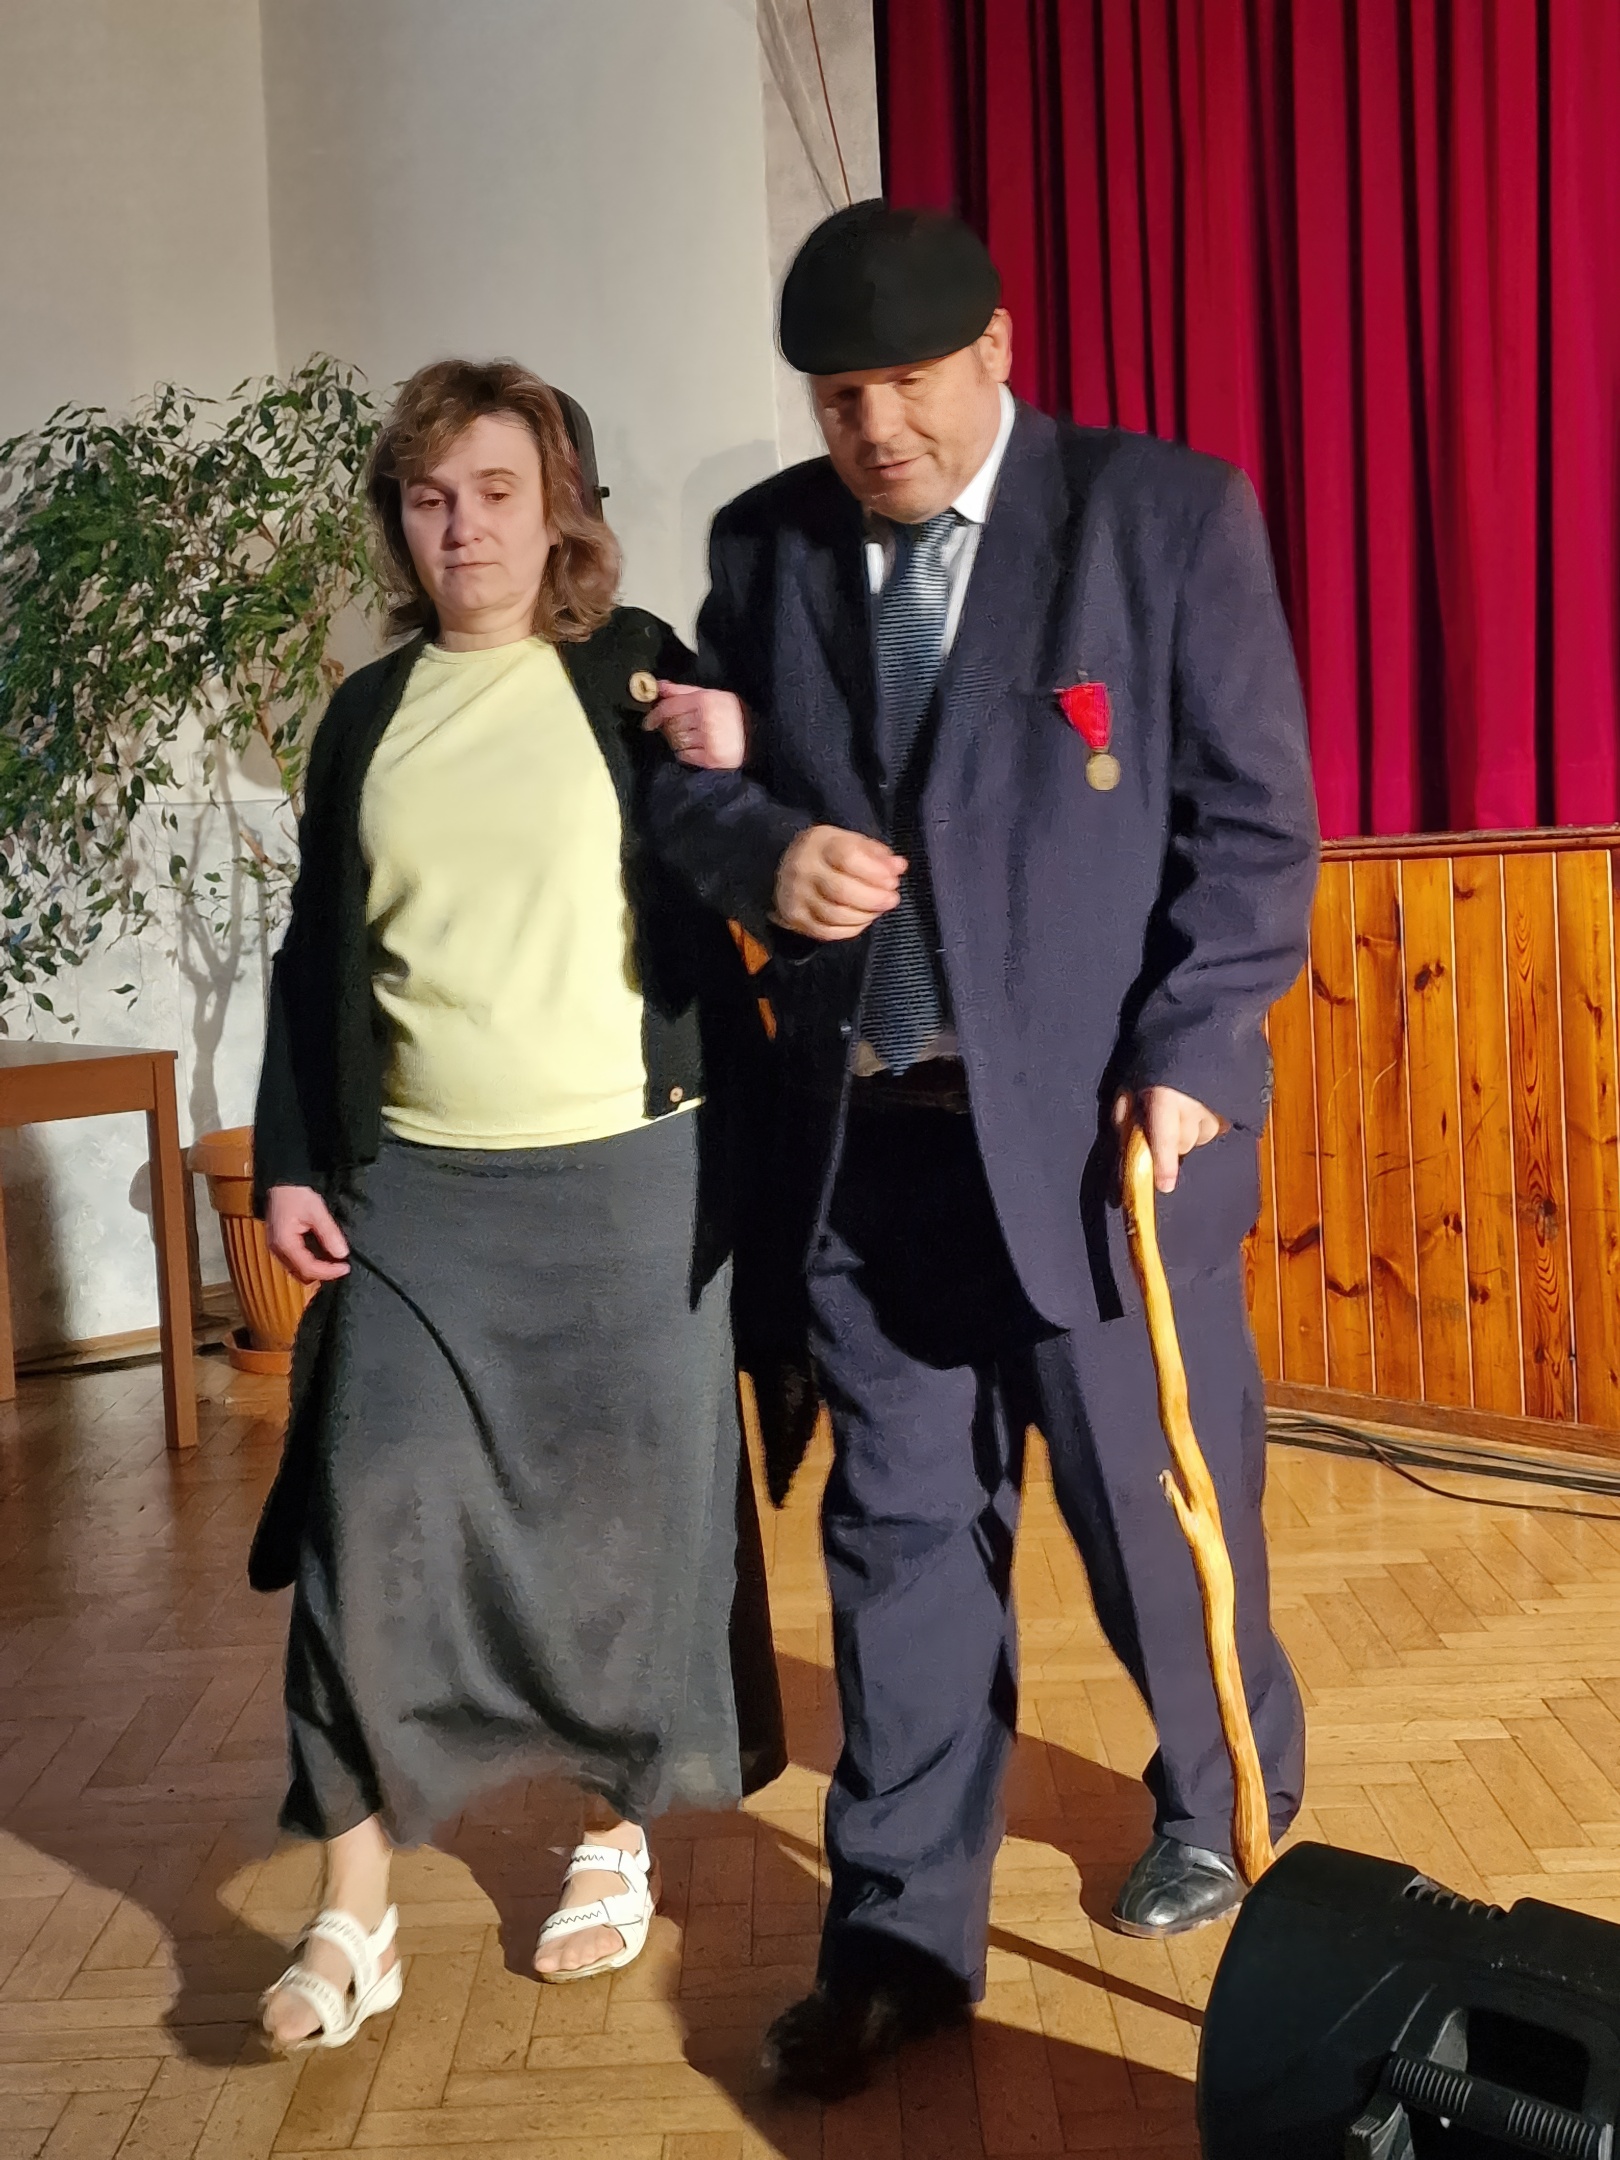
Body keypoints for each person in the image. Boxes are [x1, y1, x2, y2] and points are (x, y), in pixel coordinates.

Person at [643, 202, 1319, 2099]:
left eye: (909, 384)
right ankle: (897, 1935)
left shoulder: (1159, 517)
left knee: (1151, 1510)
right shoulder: (768, 546)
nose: (877, 428)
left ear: (997, 350)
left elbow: (1254, 830)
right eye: (839, 397)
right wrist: (766, 852)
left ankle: (1230, 1803)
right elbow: (698, 785)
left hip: (1106, 1150)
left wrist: (1193, 1052)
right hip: (872, 1145)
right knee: (898, 1545)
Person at [249, 358, 782, 2053]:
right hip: (422, 1198)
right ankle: (353, 1912)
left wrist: (751, 752)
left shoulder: (636, 672)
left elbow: (753, 831)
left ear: (558, 507)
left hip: (637, 1180)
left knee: (630, 1531)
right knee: (364, 1518)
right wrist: (289, 1156)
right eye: (428, 498)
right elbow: (317, 954)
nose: (461, 528)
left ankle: (615, 1828)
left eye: (493, 491)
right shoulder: (366, 714)